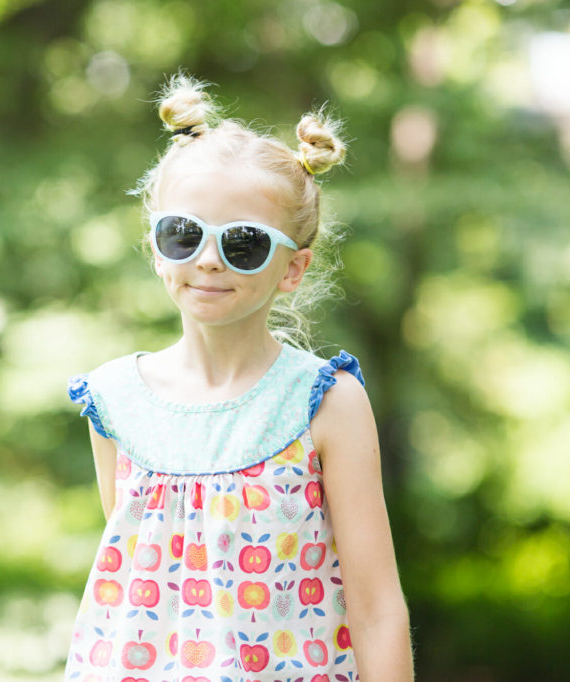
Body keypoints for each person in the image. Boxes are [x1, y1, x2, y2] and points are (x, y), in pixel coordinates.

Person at [64, 70, 414, 682]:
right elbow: (136, 585)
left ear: (292, 268)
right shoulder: (114, 400)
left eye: (244, 244)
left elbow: (377, 609)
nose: (207, 259)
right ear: (154, 247)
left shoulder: (326, 402)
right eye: (183, 235)